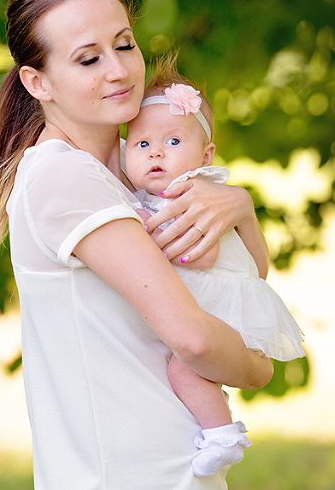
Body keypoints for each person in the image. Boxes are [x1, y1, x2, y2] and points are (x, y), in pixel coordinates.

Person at [0, 0, 273, 489]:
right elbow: (195, 339)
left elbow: (233, 280)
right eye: (89, 59)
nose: (118, 70)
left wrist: (240, 207)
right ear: (36, 81)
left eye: (125, 45)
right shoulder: (64, 178)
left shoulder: (138, 169)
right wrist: (258, 368)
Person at [124, 57, 306, 477]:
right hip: (209, 303)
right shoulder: (156, 195)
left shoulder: (191, 192)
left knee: (182, 369)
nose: (155, 153)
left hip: (215, 304)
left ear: (206, 155)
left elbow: (200, 255)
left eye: (173, 142)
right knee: (190, 372)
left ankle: (223, 434)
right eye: (142, 144)